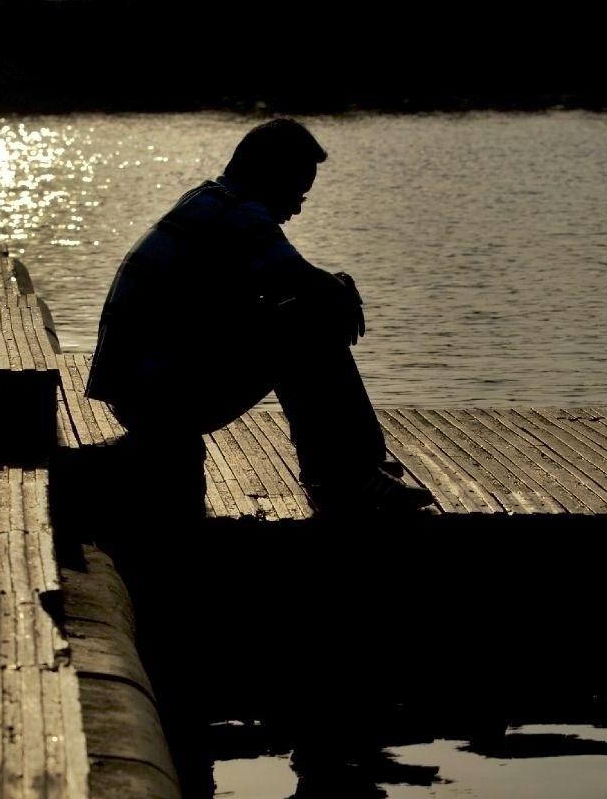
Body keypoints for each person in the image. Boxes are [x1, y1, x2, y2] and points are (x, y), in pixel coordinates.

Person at [86, 119, 435, 517]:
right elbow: (308, 287)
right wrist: (339, 292)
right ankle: (349, 472)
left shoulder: (206, 200)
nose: (298, 208)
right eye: (297, 192)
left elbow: (272, 295)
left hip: (136, 392)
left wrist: (325, 292)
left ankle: (348, 467)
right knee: (313, 318)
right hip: (159, 398)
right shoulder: (239, 213)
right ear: (271, 175)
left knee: (300, 315)